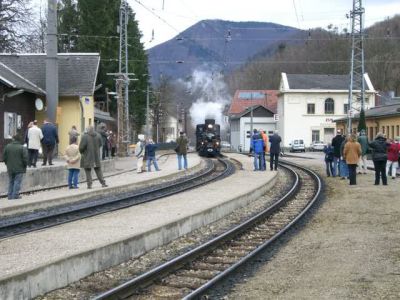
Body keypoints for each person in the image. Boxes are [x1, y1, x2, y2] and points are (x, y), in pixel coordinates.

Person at [3, 133, 28, 199]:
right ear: (19, 140)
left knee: (11, 181)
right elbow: (25, 159)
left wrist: (7, 164)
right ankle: (15, 195)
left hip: (10, 168)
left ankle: (9, 195)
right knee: (17, 182)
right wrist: (25, 165)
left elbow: (4, 158)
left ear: (13, 139)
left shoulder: (7, 146)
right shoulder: (22, 147)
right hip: (19, 168)